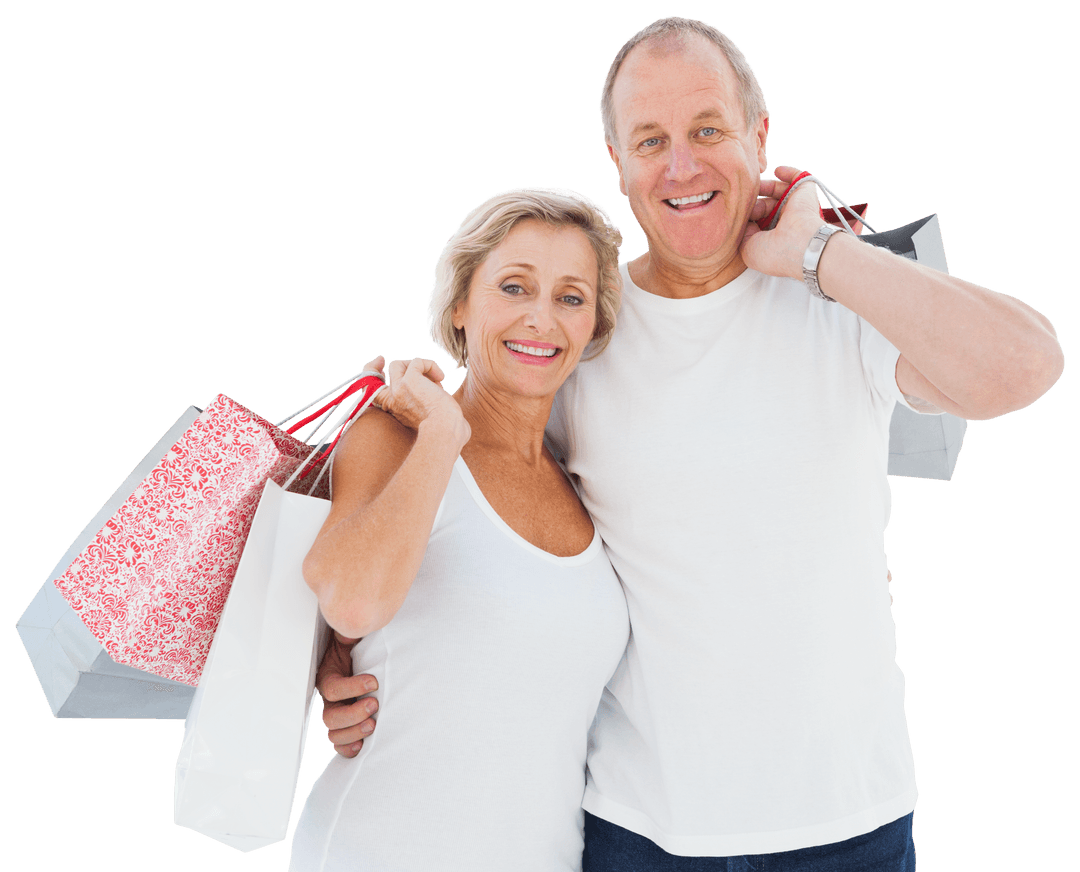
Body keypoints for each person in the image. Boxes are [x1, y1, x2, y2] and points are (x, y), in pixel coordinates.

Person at [318, 16, 1065, 871]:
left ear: (760, 135)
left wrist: (820, 253)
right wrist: (343, 652)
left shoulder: (840, 303)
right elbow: (476, 515)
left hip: (850, 822)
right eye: (651, 140)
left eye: (708, 130)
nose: (681, 166)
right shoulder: (581, 332)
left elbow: (1027, 368)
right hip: (640, 830)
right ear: (618, 161)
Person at [288, 187, 629, 871]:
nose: (541, 318)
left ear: (593, 324)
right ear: (460, 308)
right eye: (514, 287)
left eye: (570, 297)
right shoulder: (398, 437)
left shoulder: (585, 483)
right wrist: (443, 432)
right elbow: (352, 602)